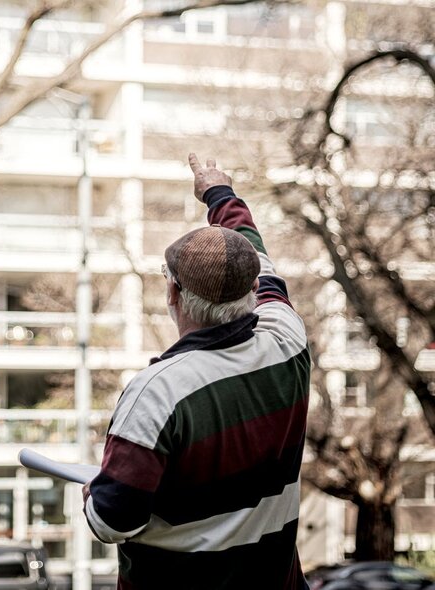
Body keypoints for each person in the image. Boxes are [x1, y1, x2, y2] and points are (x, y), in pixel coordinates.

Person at [84, 154, 311, 589]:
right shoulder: (287, 340)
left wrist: (94, 495)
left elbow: (111, 522)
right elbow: (257, 257)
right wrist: (219, 193)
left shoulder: (156, 393)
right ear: (252, 290)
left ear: (172, 291)